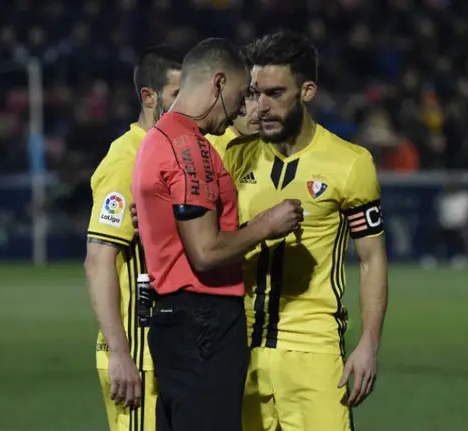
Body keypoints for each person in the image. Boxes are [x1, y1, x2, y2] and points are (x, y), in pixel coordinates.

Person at [131, 38, 304, 431]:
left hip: (179, 320)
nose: (243, 110)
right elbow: (205, 252)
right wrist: (266, 226)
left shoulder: (157, 139)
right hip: (204, 322)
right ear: (219, 83)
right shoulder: (189, 148)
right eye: (241, 96)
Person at [223, 30, 390, 431]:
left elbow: (371, 260)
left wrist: (368, 345)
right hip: (239, 350)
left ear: (307, 91)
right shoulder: (232, 157)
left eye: (275, 93)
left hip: (314, 351)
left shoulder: (350, 164)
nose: (260, 107)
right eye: (255, 93)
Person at [84, 44, 183, 431]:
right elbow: (98, 260)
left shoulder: (177, 150)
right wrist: (120, 353)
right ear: (149, 96)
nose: (189, 104)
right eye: (178, 95)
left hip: (172, 349)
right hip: (139, 351)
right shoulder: (126, 160)